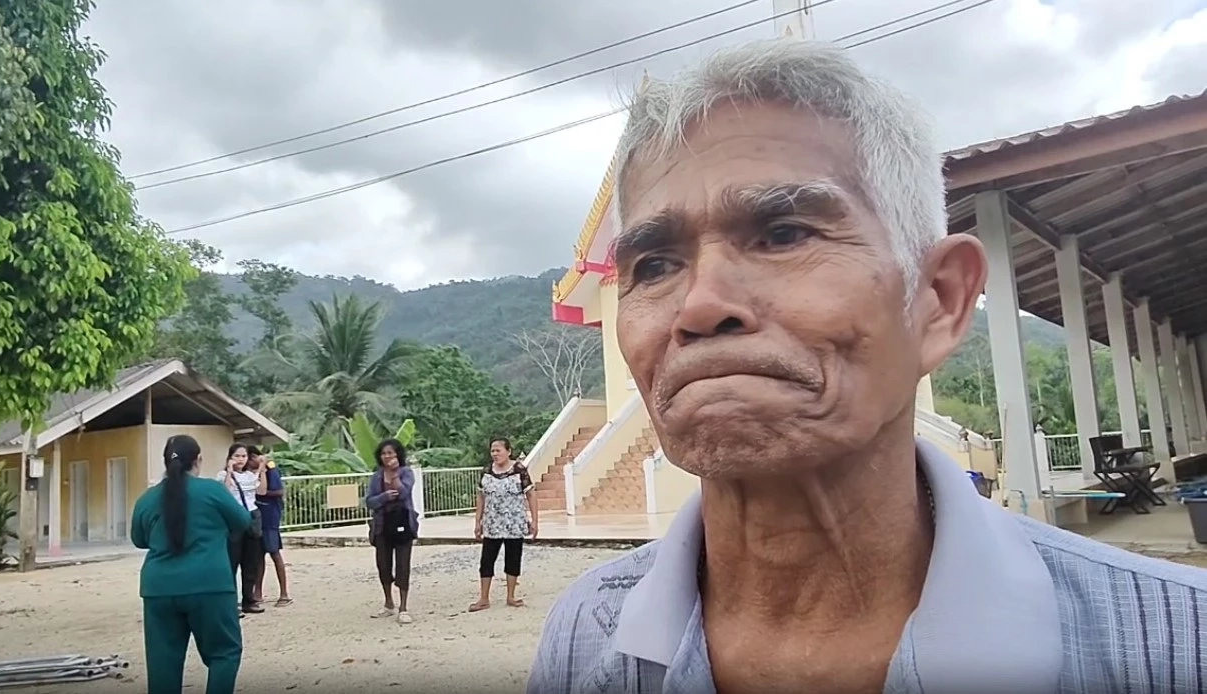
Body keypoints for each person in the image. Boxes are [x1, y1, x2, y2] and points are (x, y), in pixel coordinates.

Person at [527, 39, 1207, 693]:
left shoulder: (1178, 644)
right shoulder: (585, 636)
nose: (701, 306)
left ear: (938, 301)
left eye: (784, 235)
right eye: (654, 266)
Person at [131, 434, 249, 694]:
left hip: (159, 589)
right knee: (224, 653)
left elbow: (139, 540)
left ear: (166, 462)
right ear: (198, 460)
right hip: (210, 584)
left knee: (163, 664)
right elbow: (242, 521)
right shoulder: (212, 490)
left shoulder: (147, 499)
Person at [469, 437, 535, 612]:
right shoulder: (487, 471)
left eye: (498, 450)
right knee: (487, 560)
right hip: (492, 524)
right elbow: (481, 497)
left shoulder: (519, 470)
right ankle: (484, 598)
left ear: (508, 451)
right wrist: (478, 521)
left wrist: (534, 520)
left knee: (513, 558)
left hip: (514, 523)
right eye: (493, 451)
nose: (495, 454)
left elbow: (531, 495)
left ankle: (511, 595)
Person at [364, 437, 418, 624]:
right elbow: (369, 501)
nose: (387, 456)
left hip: (403, 522)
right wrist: (384, 497)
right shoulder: (376, 475)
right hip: (382, 524)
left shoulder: (407, 472)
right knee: (383, 564)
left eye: (390, 453)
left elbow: (404, 493)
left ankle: (403, 607)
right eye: (384, 453)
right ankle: (388, 603)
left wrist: (394, 476)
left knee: (403, 564)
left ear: (397, 454)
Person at [216, 443, 266, 615]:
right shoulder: (223, 475)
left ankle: (248, 600)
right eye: (237, 456)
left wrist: (262, 469)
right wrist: (229, 471)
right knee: (232, 562)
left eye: (244, 456)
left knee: (251, 562)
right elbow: (225, 492)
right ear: (230, 457)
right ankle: (231, 602)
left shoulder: (250, 476)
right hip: (234, 519)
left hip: (251, 517)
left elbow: (261, 491)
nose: (241, 459)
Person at [251, 448, 292, 607]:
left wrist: (261, 491)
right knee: (258, 557)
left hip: (270, 518)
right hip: (257, 518)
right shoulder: (250, 473)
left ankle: (284, 593)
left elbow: (279, 490)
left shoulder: (270, 470)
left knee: (275, 554)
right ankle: (257, 592)